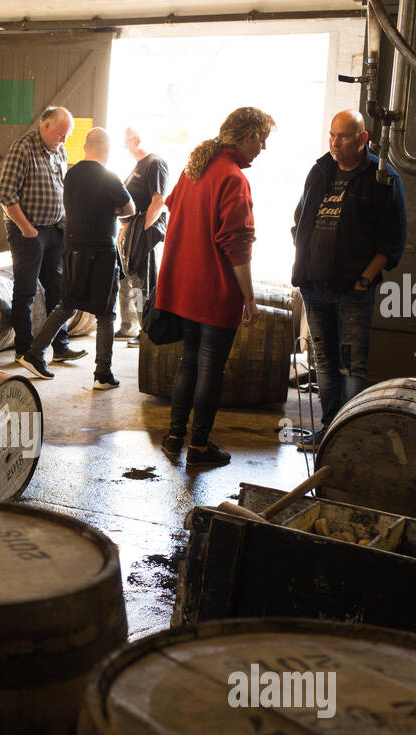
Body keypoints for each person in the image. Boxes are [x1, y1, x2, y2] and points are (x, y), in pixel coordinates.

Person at [156, 107, 275, 466]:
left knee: (188, 361)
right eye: (262, 140)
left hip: (184, 288)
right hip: (215, 291)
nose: (263, 148)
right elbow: (237, 244)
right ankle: (200, 446)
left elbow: (174, 209)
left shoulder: (194, 169)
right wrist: (249, 298)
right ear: (248, 136)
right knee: (211, 368)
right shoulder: (233, 177)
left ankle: (175, 437)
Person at [291, 109, 406, 452]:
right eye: (331, 135)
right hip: (314, 286)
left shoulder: (382, 177)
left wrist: (366, 278)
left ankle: (351, 437)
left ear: (363, 139)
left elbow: (393, 237)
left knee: (351, 366)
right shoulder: (321, 170)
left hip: (353, 290)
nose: (334, 143)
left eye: (342, 136)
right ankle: (329, 430)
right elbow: (300, 218)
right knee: (324, 363)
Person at [17, 127, 134, 389]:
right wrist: (109, 208)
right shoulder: (109, 176)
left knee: (67, 304)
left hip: (73, 249)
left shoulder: (71, 173)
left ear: (85, 147)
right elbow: (130, 208)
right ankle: (102, 374)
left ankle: (35, 354)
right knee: (105, 314)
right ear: (106, 148)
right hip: (101, 252)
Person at [0, 106, 87, 364]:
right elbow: (5, 195)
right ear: (45, 125)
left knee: (57, 290)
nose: (64, 140)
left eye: (67, 135)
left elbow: (62, 189)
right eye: (61, 133)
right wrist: (26, 228)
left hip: (54, 231)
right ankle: (24, 350)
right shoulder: (22, 148)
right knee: (25, 291)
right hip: (28, 232)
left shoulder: (59, 150)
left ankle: (60, 346)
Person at [117, 128, 169, 339]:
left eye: (126, 142)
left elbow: (158, 199)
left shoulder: (154, 163)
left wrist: (143, 230)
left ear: (136, 140)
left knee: (141, 283)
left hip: (144, 233)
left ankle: (144, 327)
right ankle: (127, 326)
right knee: (126, 280)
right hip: (132, 230)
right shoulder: (138, 166)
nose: (125, 147)